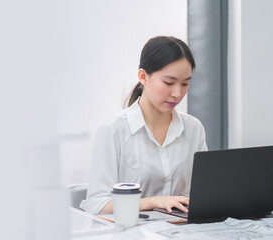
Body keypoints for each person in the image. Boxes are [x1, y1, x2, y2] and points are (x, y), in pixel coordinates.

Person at [80, 36, 207, 215]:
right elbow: (97, 205)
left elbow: (204, 194)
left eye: (185, 83)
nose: (177, 93)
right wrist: (153, 202)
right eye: (169, 83)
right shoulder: (113, 130)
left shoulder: (193, 128)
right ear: (143, 76)